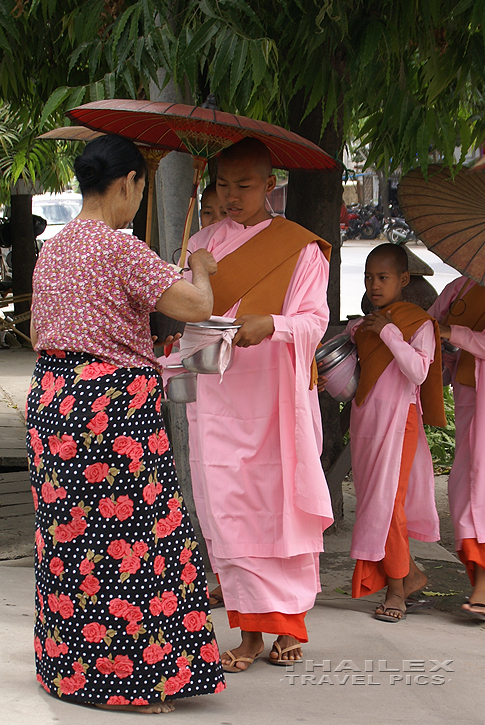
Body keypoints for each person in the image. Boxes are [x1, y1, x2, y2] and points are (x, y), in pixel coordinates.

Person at [28, 134, 225, 713]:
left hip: (54, 398)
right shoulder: (120, 249)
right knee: (135, 539)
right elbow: (195, 307)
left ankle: (71, 669)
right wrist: (200, 268)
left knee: (69, 541)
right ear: (129, 184)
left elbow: (42, 335)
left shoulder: (54, 248)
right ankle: (132, 681)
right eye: (140, 188)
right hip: (114, 409)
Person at [178, 136, 334, 671]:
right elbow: (187, 322)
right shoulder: (201, 242)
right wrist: (189, 274)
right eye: (223, 184)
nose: (232, 196)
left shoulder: (303, 248)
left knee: (278, 512)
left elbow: (315, 321)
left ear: (270, 185)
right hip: (218, 401)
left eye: (244, 185)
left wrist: (273, 324)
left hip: (276, 405)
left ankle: (288, 627)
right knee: (231, 515)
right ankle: (248, 633)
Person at [345, 244, 445, 621]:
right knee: (377, 503)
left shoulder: (416, 322)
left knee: (390, 506)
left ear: (403, 280)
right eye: (369, 277)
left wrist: (388, 332)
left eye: (383, 278)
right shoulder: (369, 322)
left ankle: (397, 589)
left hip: (398, 423)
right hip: (366, 422)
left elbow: (418, 372)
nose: (374, 285)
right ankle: (412, 574)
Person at [428, 277, 485, 620]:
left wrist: (452, 333)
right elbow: (429, 324)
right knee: (465, 492)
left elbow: (448, 331)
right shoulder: (461, 288)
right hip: (467, 399)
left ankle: (482, 587)